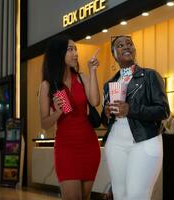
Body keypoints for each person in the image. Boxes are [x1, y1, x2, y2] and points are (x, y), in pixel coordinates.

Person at [101, 35, 170, 200]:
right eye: (120, 45)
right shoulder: (109, 84)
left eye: (129, 44)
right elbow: (105, 121)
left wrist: (130, 109)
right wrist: (107, 113)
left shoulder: (150, 76)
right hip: (115, 144)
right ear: (114, 54)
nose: (126, 47)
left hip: (144, 140)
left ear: (134, 49)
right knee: (120, 195)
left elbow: (163, 110)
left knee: (136, 195)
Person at [39, 35, 101, 200]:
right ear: (58, 54)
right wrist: (58, 111)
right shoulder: (47, 85)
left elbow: (95, 101)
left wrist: (93, 71)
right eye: (70, 49)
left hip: (89, 144)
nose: (76, 53)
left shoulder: (82, 77)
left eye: (76, 49)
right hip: (66, 147)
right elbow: (44, 123)